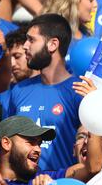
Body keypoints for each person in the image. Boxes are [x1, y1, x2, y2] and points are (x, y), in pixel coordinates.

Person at [7, 14, 83, 171]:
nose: (25, 46)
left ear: (52, 44)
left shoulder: (79, 90)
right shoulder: (19, 90)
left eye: (31, 40)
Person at [41, 0, 97, 66]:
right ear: (74, 0)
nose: (95, 5)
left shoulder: (88, 34)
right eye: (91, 0)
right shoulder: (48, 34)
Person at [0, 27, 41, 116]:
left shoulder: (51, 88)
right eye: (8, 59)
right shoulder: (1, 94)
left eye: (17, 56)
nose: (12, 64)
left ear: (30, 53)